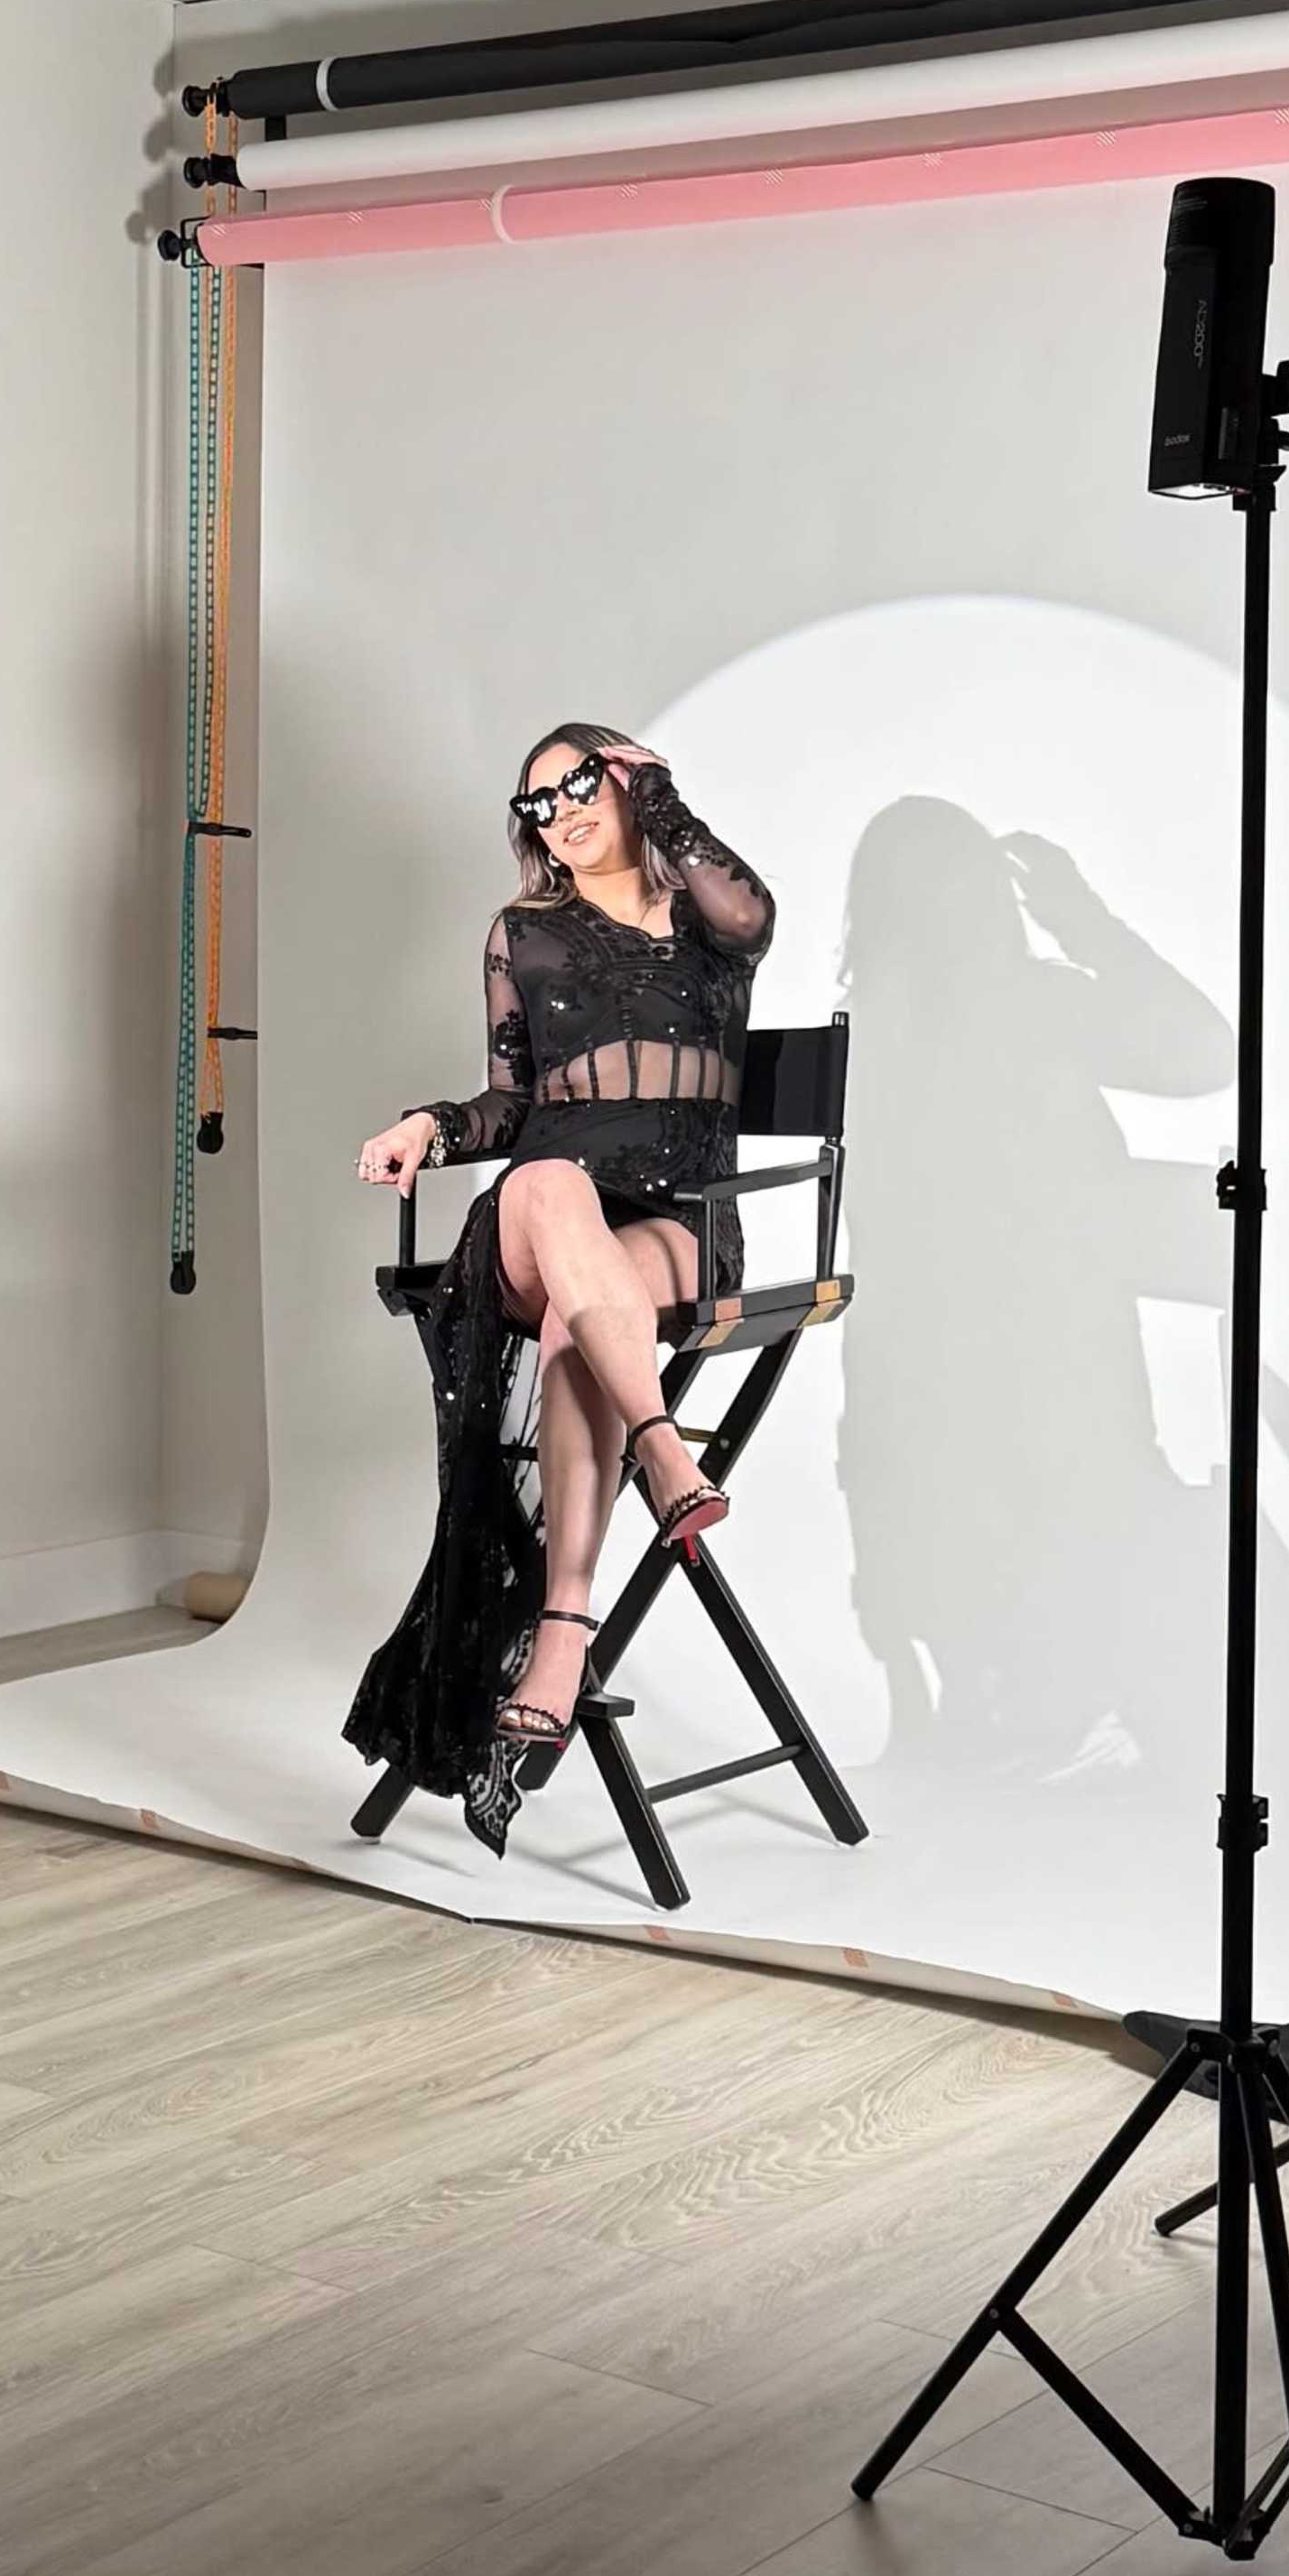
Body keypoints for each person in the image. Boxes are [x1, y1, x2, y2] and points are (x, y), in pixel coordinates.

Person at [348, 726, 775, 1854]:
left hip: (679, 1224)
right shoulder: (522, 934)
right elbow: (509, 1099)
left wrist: (664, 799)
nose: (558, 812)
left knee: (593, 1333)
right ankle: (665, 1447)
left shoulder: (706, 921)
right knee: (540, 1176)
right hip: (548, 1218)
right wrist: (433, 1126)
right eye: (536, 803)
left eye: (579, 785)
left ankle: (562, 1635)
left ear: (629, 779)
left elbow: (756, 915)